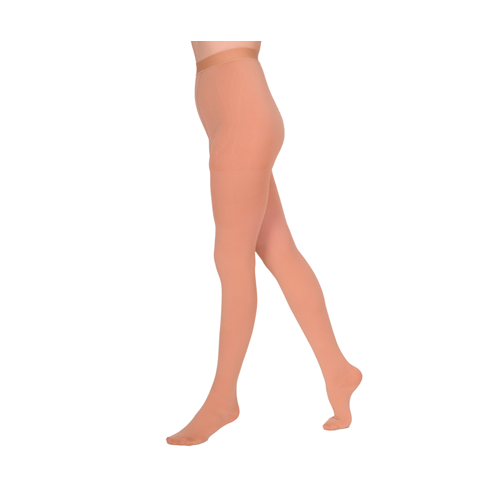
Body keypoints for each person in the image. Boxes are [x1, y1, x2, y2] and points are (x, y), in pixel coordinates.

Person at [166, 41, 362, 446]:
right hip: (235, 110)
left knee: (231, 258)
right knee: (277, 247)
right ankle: (338, 370)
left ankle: (223, 399)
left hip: (241, 113)